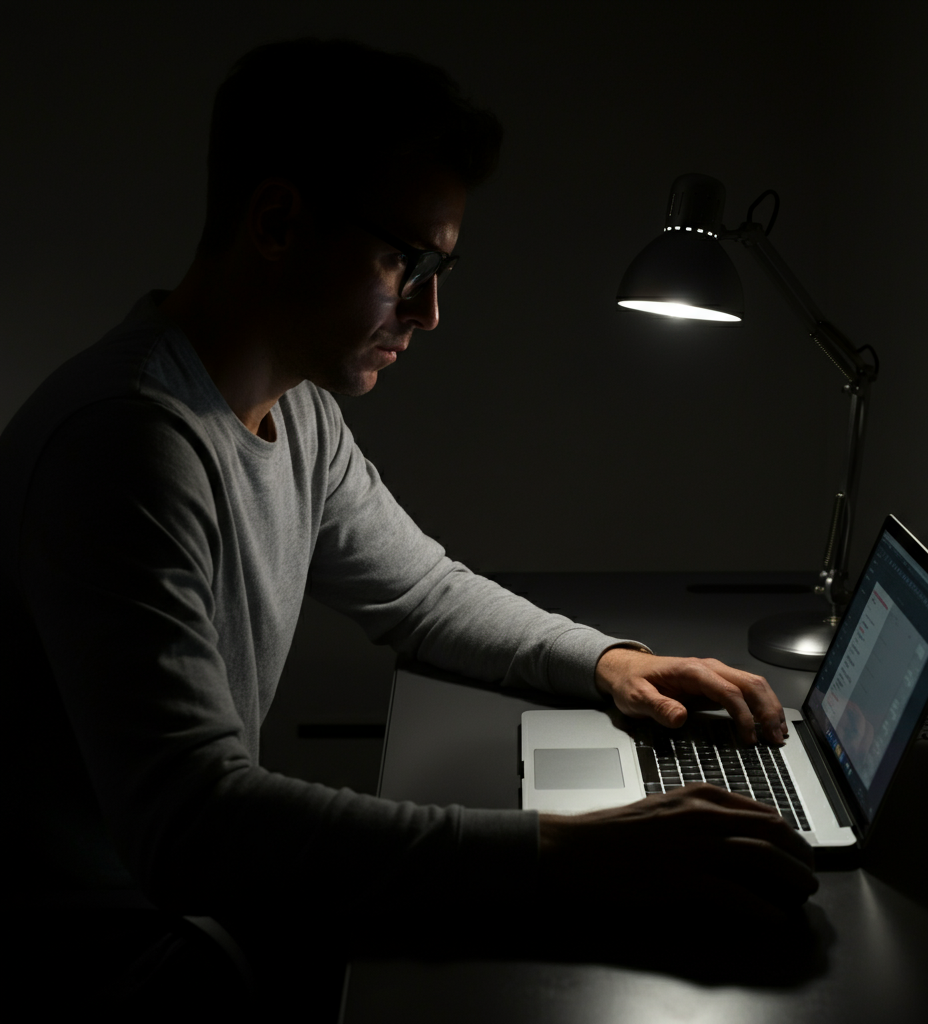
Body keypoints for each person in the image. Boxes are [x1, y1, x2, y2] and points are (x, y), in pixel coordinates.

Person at [2, 38, 816, 1021]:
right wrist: (567, 851)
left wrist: (609, 662)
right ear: (277, 222)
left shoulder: (294, 409)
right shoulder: (128, 443)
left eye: (442, 268)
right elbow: (192, 828)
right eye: (406, 260)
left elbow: (421, 592)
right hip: (99, 961)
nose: (429, 311)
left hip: (186, 915)